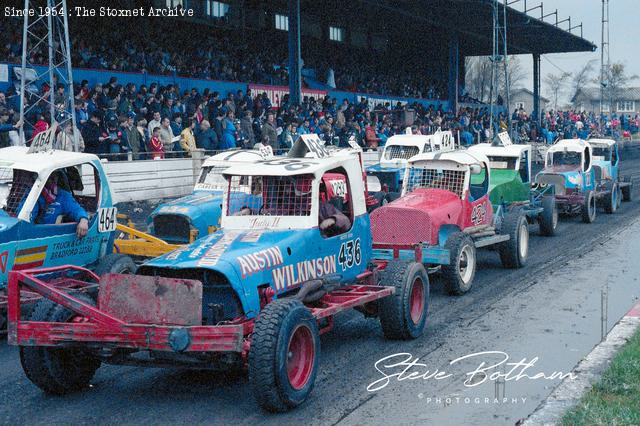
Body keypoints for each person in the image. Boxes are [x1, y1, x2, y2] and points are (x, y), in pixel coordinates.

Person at [26, 171, 89, 238]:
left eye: (55, 176)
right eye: (49, 176)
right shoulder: (32, 194)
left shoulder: (63, 196)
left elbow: (76, 209)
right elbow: (26, 216)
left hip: (50, 236)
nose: (53, 179)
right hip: (32, 234)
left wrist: (83, 220)